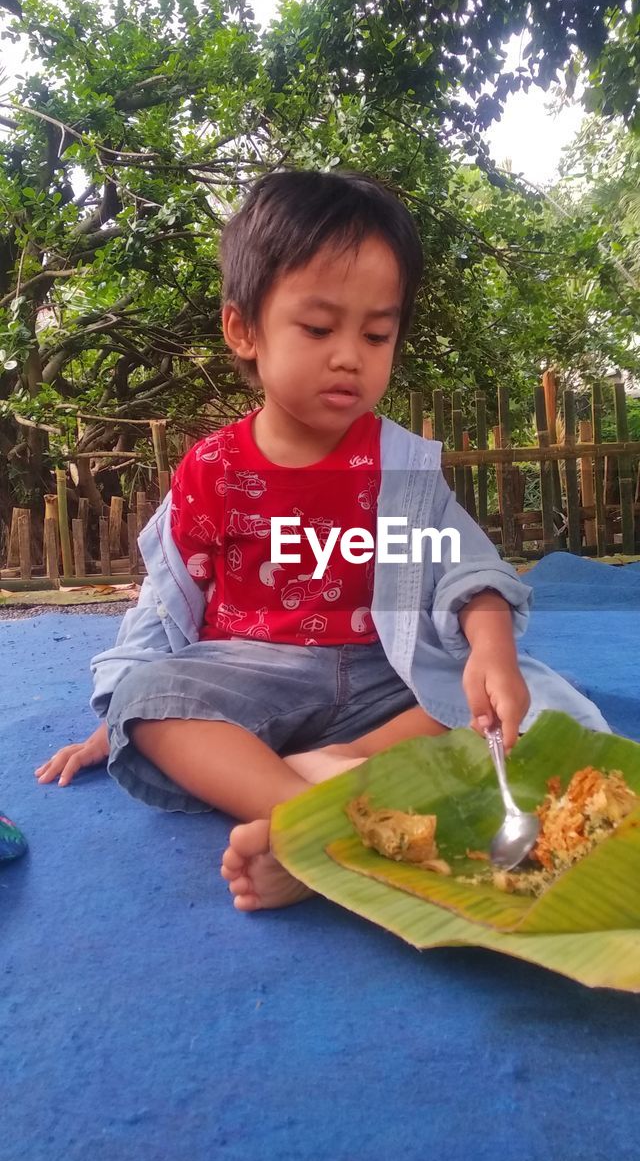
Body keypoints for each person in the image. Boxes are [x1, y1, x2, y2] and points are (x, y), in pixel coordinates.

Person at [35, 169, 609, 910]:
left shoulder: (397, 464)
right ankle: (315, 826)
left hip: (384, 682)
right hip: (256, 678)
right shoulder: (212, 470)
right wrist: (111, 721)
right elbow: (164, 604)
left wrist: (493, 653)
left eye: (377, 333)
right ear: (244, 329)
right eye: (318, 328)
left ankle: (330, 773)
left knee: (523, 708)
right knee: (149, 700)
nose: (350, 355)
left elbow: (465, 565)